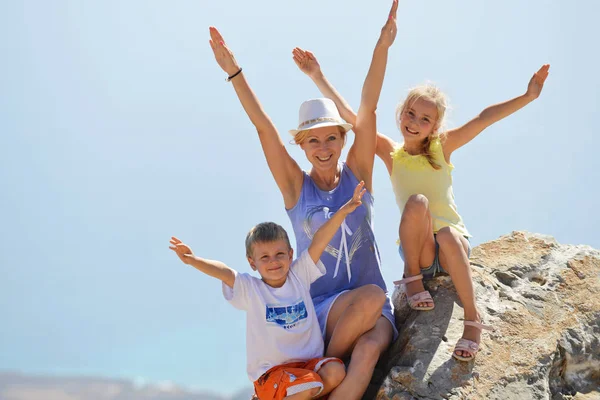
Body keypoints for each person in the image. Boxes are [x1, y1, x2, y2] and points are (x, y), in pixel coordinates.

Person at [292, 46, 549, 361]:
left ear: (435, 127)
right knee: (416, 203)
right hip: (421, 252)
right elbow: (357, 119)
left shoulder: (443, 148)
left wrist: (528, 96)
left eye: (425, 119)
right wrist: (318, 77)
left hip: (453, 247)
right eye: (410, 114)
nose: (414, 122)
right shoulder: (391, 153)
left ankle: (472, 320)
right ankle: (412, 278)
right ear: (401, 114)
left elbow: (483, 119)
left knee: (448, 234)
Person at [207, 1, 398, 397]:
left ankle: (320, 378)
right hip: (323, 311)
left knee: (367, 350)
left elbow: (369, 106)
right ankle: (321, 364)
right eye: (313, 140)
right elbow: (264, 128)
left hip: (373, 307)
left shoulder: (358, 172)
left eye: (332, 137)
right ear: (302, 146)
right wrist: (234, 72)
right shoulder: (297, 188)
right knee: (369, 300)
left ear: (343, 141)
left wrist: (382, 47)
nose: (323, 146)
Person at [169, 182, 368, 399]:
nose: (273, 261)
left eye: (279, 254)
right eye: (264, 257)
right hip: (272, 374)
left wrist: (344, 211)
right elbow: (224, 272)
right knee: (308, 386)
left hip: (309, 366)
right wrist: (193, 260)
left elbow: (320, 240)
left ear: (290, 255)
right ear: (252, 263)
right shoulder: (251, 289)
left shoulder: (299, 275)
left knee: (336, 372)